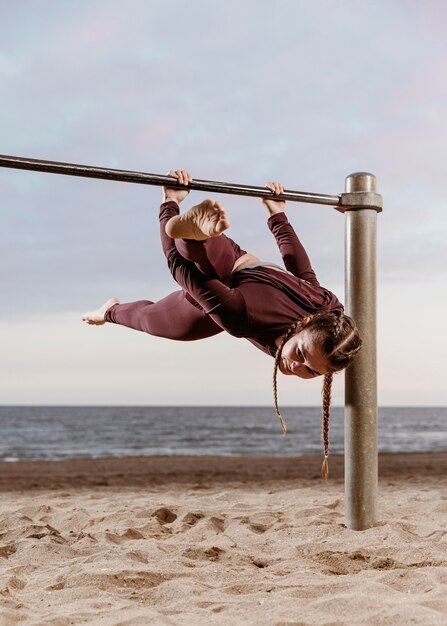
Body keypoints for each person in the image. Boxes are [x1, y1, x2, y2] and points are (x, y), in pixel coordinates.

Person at [83, 170, 362, 478]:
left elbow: (302, 271)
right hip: (231, 272)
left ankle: (187, 246)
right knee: (183, 264)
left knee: (177, 298)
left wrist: (277, 216)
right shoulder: (256, 317)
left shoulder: (328, 313)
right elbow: (180, 270)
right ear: (307, 323)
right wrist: (170, 202)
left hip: (228, 281)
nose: (296, 367)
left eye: (311, 371)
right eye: (300, 354)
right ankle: (191, 238)